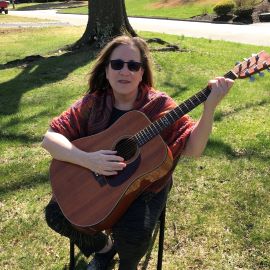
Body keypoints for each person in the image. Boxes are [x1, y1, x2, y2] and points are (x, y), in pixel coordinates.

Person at [42, 35, 234, 270]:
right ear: (106, 69)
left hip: (146, 186)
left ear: (142, 72)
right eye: (117, 64)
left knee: (133, 234)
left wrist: (210, 108)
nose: (126, 71)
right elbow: (50, 139)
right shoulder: (93, 104)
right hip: (95, 177)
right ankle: (104, 249)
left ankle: (127, 264)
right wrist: (90, 160)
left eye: (133, 65)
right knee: (56, 214)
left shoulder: (159, 106)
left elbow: (193, 149)